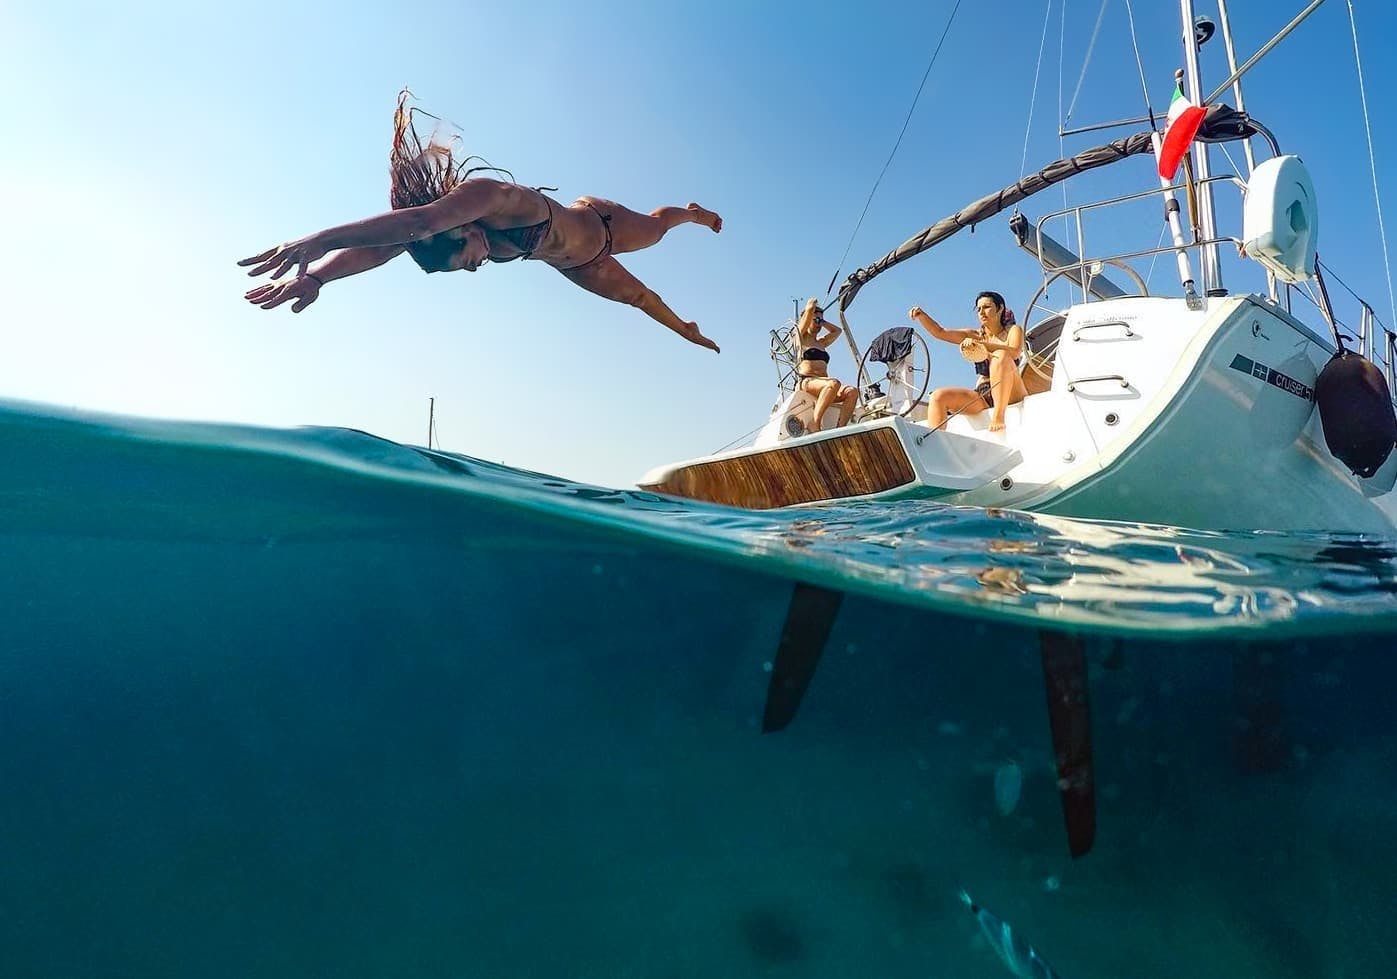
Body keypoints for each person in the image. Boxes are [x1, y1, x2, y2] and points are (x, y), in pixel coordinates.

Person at [240, 91, 722, 353]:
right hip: (578, 263)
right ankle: (688, 329)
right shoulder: (446, 235)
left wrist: (319, 240)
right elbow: (384, 248)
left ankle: (692, 213)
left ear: (462, 230)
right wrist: (320, 278)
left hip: (603, 223)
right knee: (640, 299)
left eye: (464, 263)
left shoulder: (491, 199)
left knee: (657, 230)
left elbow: (417, 223)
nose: (474, 269)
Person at [910, 291, 1026, 432]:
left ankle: (998, 417)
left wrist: (982, 346)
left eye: (987, 307)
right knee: (938, 396)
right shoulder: (975, 335)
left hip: (1010, 390)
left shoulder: (1013, 330)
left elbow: (1014, 351)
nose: (982, 312)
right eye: (978, 309)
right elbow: (940, 332)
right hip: (983, 393)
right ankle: (933, 443)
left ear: (1000, 308)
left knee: (1001, 355)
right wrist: (922, 316)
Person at [792, 298, 858, 432]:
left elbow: (837, 331)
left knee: (852, 391)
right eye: (815, 320)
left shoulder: (821, 343)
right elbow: (809, 310)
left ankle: (840, 429)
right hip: (807, 382)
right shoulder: (800, 338)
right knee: (833, 383)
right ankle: (814, 423)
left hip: (825, 385)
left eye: (820, 321)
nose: (818, 324)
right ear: (807, 319)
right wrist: (811, 306)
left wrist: (822, 321)